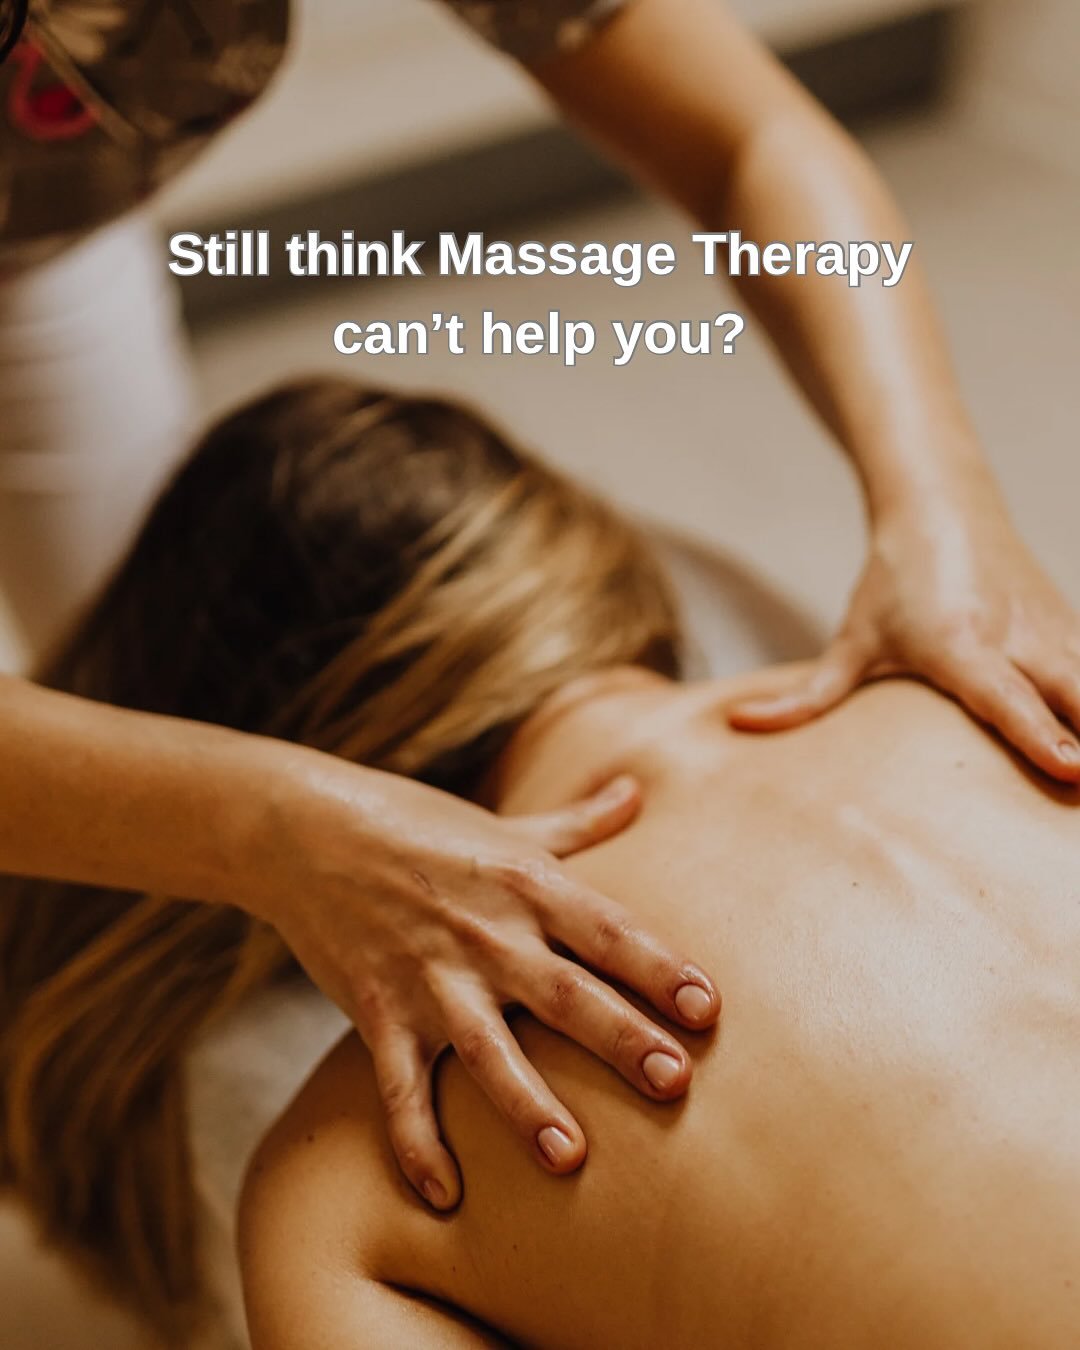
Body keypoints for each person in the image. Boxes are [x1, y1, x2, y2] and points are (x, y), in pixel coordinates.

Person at [2, 0, 1080, 1212]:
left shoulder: (316, 1223)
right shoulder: (315, 1208)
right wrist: (268, 828)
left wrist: (941, 507)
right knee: (132, 838)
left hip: (50, 217)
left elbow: (748, 140)